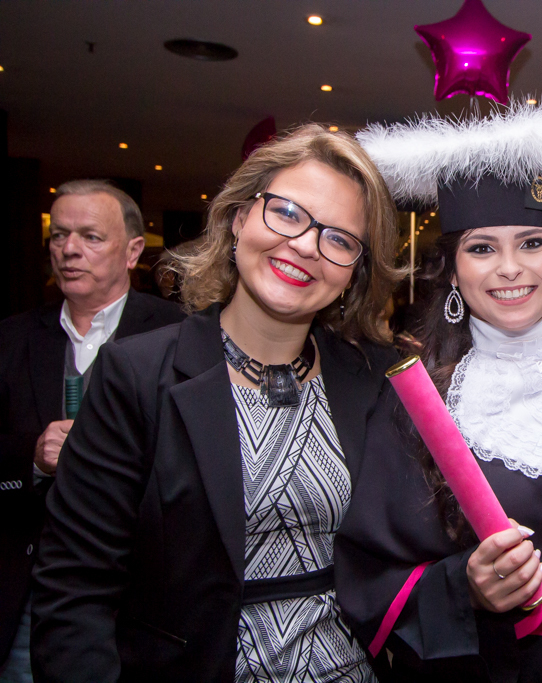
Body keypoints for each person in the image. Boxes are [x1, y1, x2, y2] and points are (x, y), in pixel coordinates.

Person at [31, 125, 401, 683]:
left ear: (354, 273)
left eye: (340, 239)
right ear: (238, 219)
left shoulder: (373, 382)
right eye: (287, 213)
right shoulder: (137, 375)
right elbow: (74, 589)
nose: (304, 245)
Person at [334, 101, 542, 683]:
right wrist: (464, 586)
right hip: (492, 666)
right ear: (455, 270)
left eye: (533, 243)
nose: (510, 269)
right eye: (482, 248)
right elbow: (370, 574)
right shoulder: (418, 402)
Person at [0, 180, 184, 682]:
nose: (70, 250)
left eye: (89, 237)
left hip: (142, 593)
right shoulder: (11, 339)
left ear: (132, 251)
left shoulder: (182, 336)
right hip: (27, 591)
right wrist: (33, 462)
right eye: (59, 236)